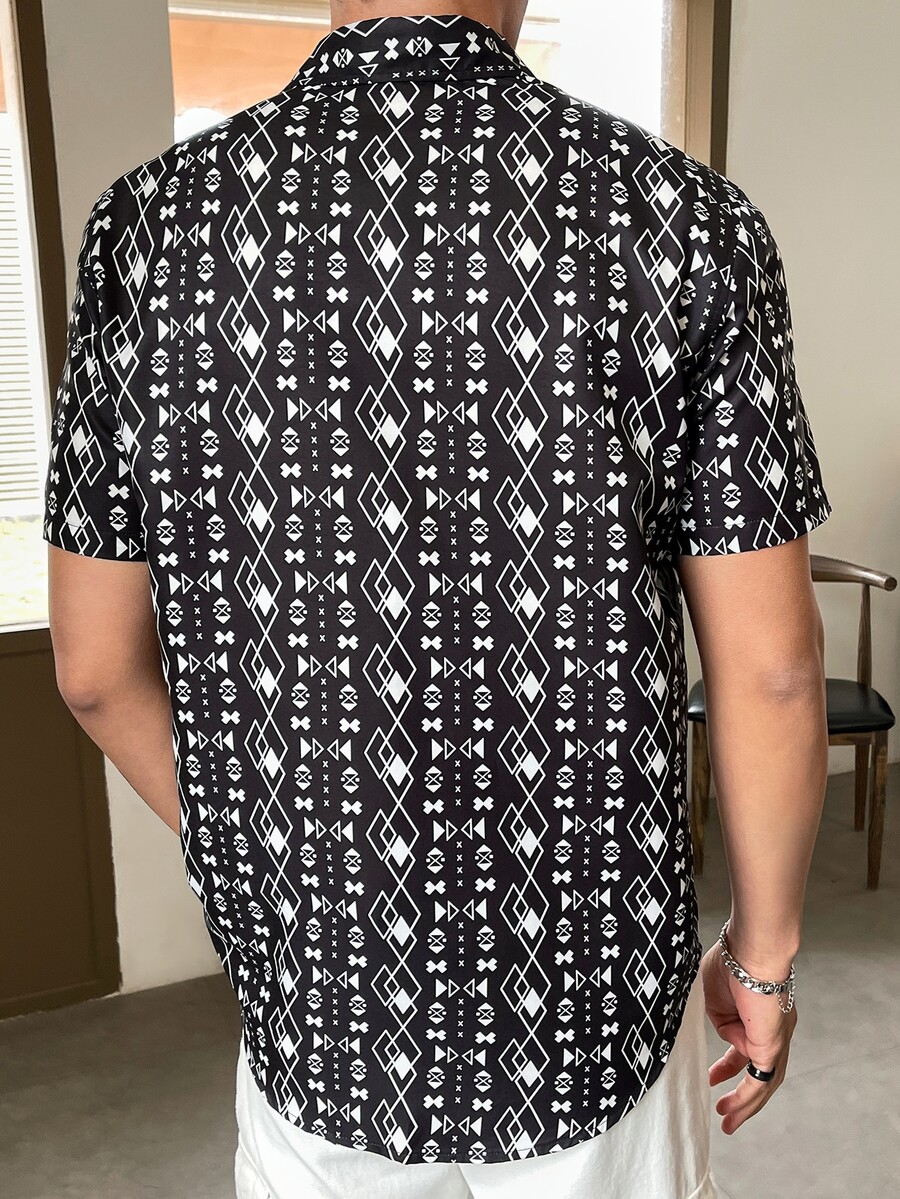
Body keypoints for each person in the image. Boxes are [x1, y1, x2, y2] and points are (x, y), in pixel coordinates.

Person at [42, 2, 832, 1197]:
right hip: (593, 998)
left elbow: (95, 671)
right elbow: (770, 669)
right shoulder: (682, 221)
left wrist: (269, 866)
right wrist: (762, 960)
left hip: (324, 1000)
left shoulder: (148, 231)